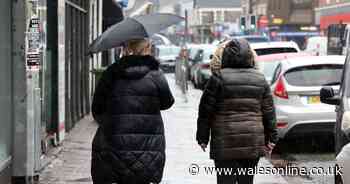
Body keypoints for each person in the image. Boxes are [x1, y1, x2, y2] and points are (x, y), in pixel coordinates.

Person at [91, 39, 175, 184]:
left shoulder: (111, 73)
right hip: (148, 146)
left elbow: (97, 108)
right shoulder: (156, 75)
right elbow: (167, 102)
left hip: (114, 145)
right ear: (147, 48)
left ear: (127, 48)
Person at [196, 39, 278, 184]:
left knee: (225, 180)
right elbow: (269, 112)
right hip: (252, 141)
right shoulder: (260, 78)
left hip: (225, 141)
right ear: (250, 57)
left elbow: (205, 111)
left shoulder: (218, 78)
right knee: (247, 181)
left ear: (226, 56)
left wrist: (202, 137)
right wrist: (271, 138)